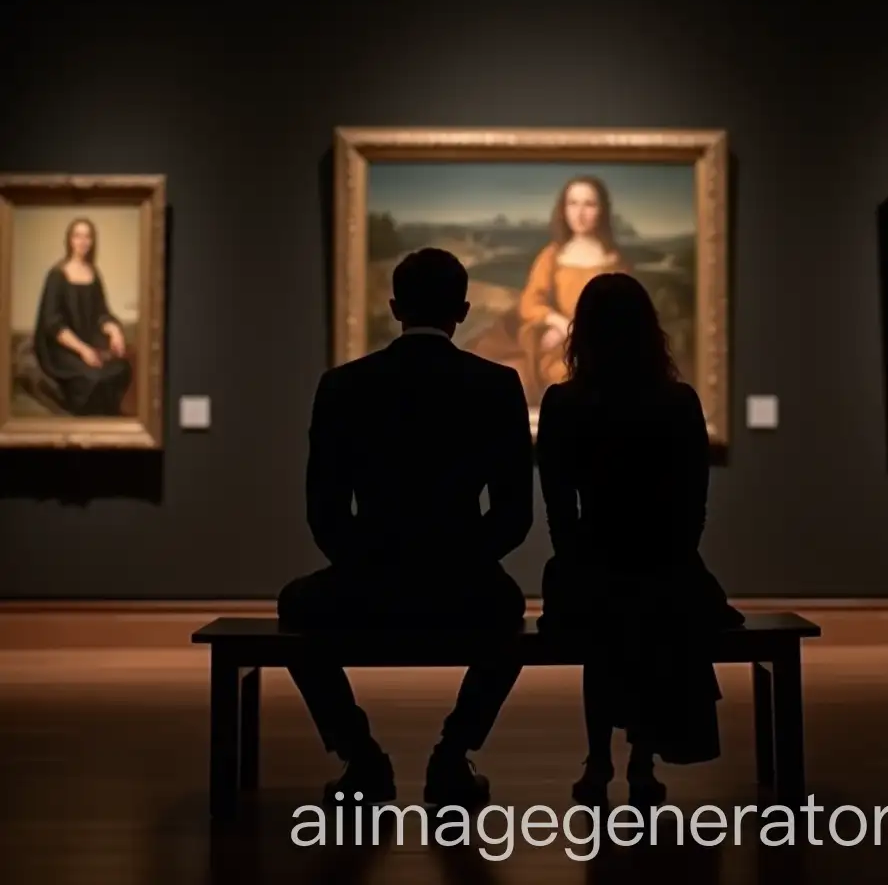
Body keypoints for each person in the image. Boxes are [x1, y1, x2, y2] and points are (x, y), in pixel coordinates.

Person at [278, 247, 534, 808]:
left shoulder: (343, 385)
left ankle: (361, 755)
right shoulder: (496, 385)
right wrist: (461, 560)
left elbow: (324, 512)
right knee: (509, 611)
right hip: (465, 585)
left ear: (395, 307)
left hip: (369, 579)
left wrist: (369, 564)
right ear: (462, 311)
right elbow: (514, 516)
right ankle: (452, 754)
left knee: (295, 607)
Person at [535, 272, 743, 809]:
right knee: (653, 617)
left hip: (592, 561)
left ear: (584, 334)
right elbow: (693, 503)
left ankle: (599, 758)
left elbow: (560, 507)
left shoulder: (563, 403)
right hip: (665, 562)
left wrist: (577, 561)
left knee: (605, 628)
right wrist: (670, 555)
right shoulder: (677, 401)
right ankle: (642, 761)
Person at [466, 176, 629, 405]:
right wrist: (557, 323)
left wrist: (578, 331)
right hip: (556, 343)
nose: (579, 213)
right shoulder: (552, 255)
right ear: (563, 209)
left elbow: (624, 315)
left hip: (599, 346)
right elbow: (531, 302)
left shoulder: (616, 262)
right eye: (572, 204)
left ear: (602, 210)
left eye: (589, 204)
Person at [32, 217, 132, 416]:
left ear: (93, 241)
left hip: (87, 338)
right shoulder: (57, 275)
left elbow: (101, 313)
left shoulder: (93, 273)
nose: (83, 241)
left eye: (87, 236)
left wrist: (115, 331)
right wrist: (83, 350)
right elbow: (52, 324)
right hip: (62, 346)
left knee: (121, 368)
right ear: (69, 240)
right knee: (92, 377)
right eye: (77, 236)